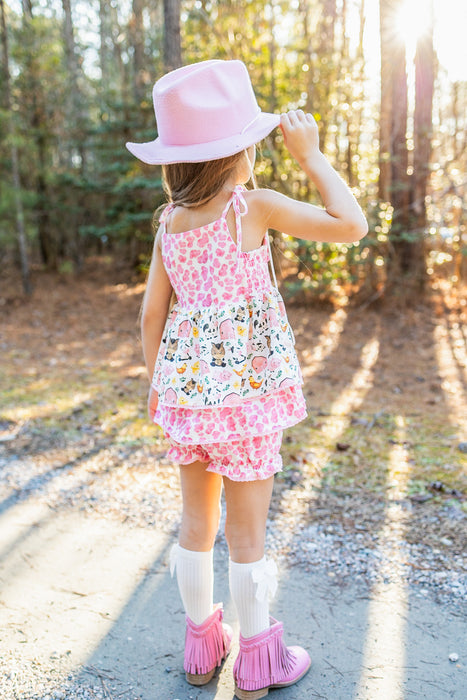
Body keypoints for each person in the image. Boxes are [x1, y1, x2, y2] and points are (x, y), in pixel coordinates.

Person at [126, 59, 367, 699]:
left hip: (190, 399)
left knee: (194, 524)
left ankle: (202, 648)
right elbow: (351, 225)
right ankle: (259, 662)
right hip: (251, 398)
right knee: (248, 533)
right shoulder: (250, 207)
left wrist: (165, 385)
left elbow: (152, 314)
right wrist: (312, 157)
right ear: (242, 149)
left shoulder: (168, 223)